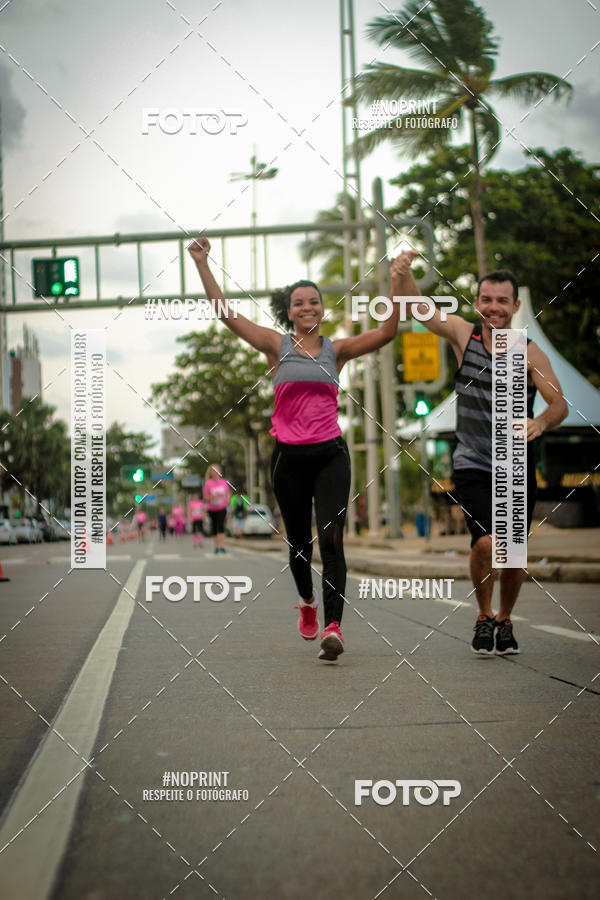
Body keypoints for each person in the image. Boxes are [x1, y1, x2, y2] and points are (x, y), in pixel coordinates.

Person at [188, 235, 416, 661]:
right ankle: (307, 603)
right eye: (299, 303)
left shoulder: (338, 350)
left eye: (314, 301)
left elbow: (388, 331)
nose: (307, 307)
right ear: (289, 311)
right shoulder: (276, 346)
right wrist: (202, 263)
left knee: (331, 539)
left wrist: (396, 280)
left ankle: (334, 627)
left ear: (321, 308)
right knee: (299, 545)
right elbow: (226, 315)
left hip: (331, 455)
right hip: (288, 461)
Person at [393, 259, 568, 656]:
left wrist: (539, 422)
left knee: (513, 552)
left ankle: (505, 619)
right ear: (476, 302)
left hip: (515, 464)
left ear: (515, 306)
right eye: (487, 299)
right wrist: (402, 276)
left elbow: (560, 405)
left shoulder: (529, 352)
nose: (494, 307)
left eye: (502, 301)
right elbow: (418, 308)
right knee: (486, 545)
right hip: (471, 460)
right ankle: (483, 613)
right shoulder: (463, 335)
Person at [203, 464, 231, 554]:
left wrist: (228, 500)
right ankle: (216, 546)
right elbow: (206, 497)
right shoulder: (208, 484)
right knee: (214, 527)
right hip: (212, 509)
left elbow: (228, 493)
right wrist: (213, 497)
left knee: (221, 526)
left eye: (217, 470)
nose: (215, 473)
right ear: (211, 473)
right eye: (213, 471)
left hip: (222, 508)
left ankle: (222, 546)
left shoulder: (224, 482)